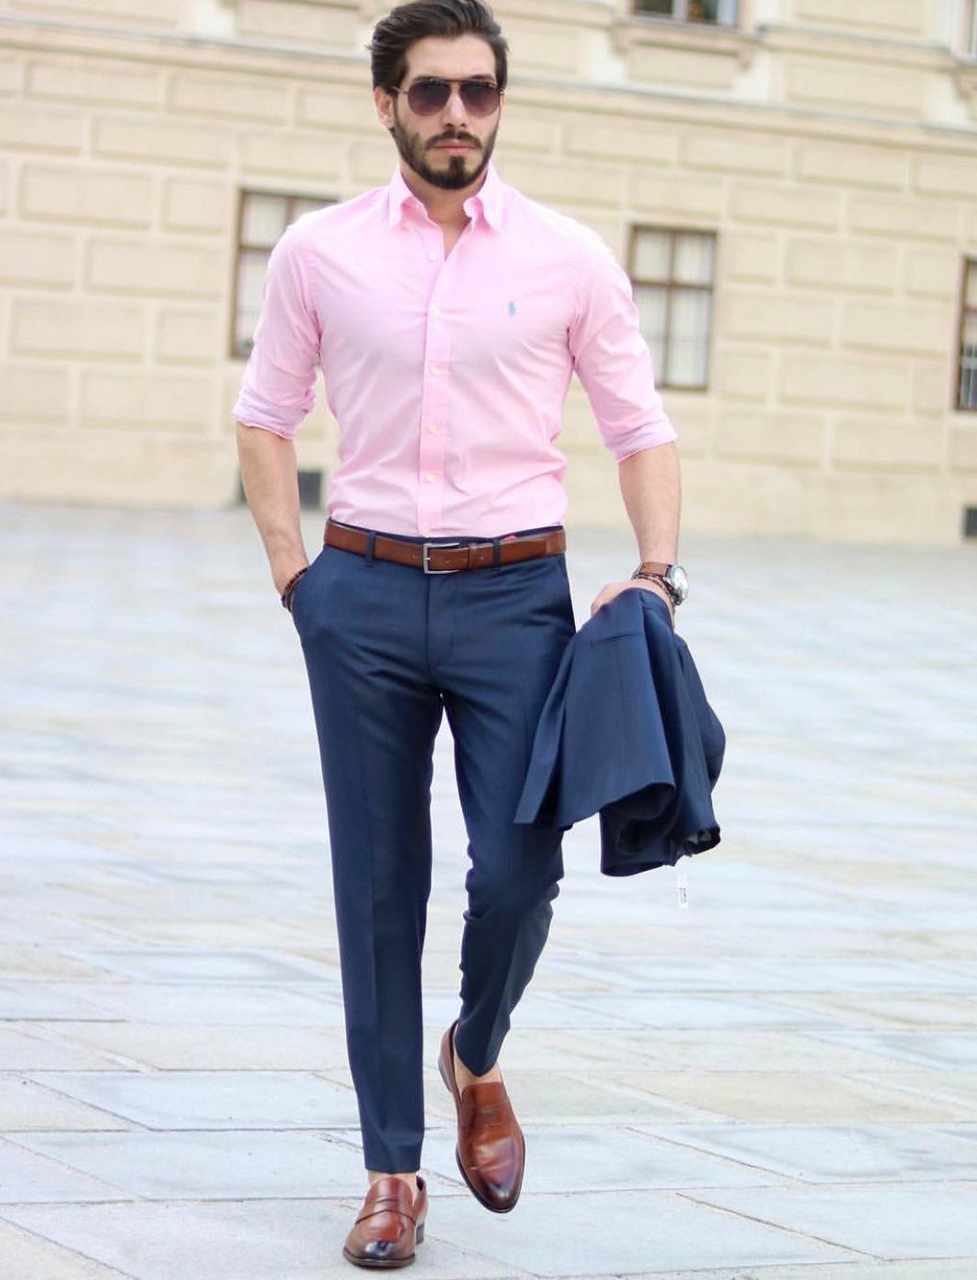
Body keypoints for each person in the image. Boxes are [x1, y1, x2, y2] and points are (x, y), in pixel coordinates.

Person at [233, 0, 684, 1266]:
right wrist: (296, 578)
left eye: (478, 92)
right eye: (430, 93)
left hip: (515, 602)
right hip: (362, 598)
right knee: (378, 890)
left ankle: (474, 1049)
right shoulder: (318, 253)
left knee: (518, 870)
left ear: (500, 101)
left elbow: (639, 427)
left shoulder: (568, 257)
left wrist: (654, 573)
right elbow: (263, 414)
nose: (456, 116)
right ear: (387, 104)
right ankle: (391, 1170)